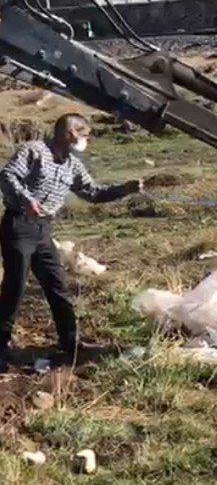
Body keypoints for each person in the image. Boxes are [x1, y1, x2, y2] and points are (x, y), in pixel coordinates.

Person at [0, 113, 143, 371]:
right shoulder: (34, 151)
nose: (86, 140)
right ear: (69, 133)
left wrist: (124, 189)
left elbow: (92, 192)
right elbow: (8, 176)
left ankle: (69, 343)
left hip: (43, 230)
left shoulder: (72, 165)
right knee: (15, 288)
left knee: (58, 286)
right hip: (19, 225)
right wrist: (27, 200)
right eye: (84, 134)